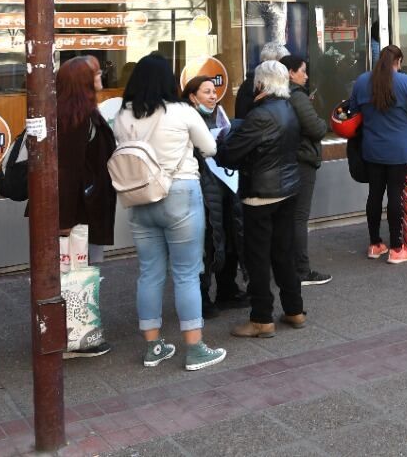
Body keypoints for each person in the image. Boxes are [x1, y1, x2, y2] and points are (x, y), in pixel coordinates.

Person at [115, 54, 225, 371]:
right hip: (180, 194)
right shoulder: (181, 112)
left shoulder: (124, 115)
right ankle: (195, 348)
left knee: (149, 273)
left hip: (139, 197)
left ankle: (153, 347)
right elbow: (211, 148)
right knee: (187, 274)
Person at [216, 60, 308, 338]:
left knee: (257, 257)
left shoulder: (260, 115)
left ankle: (261, 318)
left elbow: (230, 155)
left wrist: (221, 142)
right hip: (288, 188)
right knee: (283, 253)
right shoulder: (290, 109)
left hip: (260, 193)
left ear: (261, 83)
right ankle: (294, 310)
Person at [55, 57, 118, 356]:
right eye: (96, 73)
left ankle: (79, 332)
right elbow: (67, 171)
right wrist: (64, 219)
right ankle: (75, 336)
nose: (101, 76)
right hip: (79, 212)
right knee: (76, 272)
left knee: (80, 272)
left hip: (86, 208)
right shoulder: (74, 118)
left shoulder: (82, 114)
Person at [348, 44, 407, 264]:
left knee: (375, 194)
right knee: (394, 194)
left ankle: (375, 244)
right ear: (398, 61)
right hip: (400, 149)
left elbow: (353, 111)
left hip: (372, 148)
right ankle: (396, 248)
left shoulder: (362, 81)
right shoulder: (404, 81)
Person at [183, 76, 248, 317]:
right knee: (206, 244)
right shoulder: (188, 119)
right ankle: (201, 296)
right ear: (192, 96)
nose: (212, 96)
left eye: (214, 91)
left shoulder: (221, 116)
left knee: (230, 238)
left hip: (226, 186)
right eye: (206, 92)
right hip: (202, 189)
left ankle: (227, 289)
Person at [279, 54, 331, 285]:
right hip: (301, 159)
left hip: (283, 159)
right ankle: (301, 270)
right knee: (299, 217)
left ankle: (285, 265)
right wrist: (322, 122)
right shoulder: (296, 96)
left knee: (287, 216)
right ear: (290, 73)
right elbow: (317, 128)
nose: (306, 75)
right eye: (302, 70)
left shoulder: (275, 95)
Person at [235, 42, 289, 122]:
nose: (284, 67)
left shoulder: (271, 81)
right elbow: (247, 114)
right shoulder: (252, 83)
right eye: (282, 63)